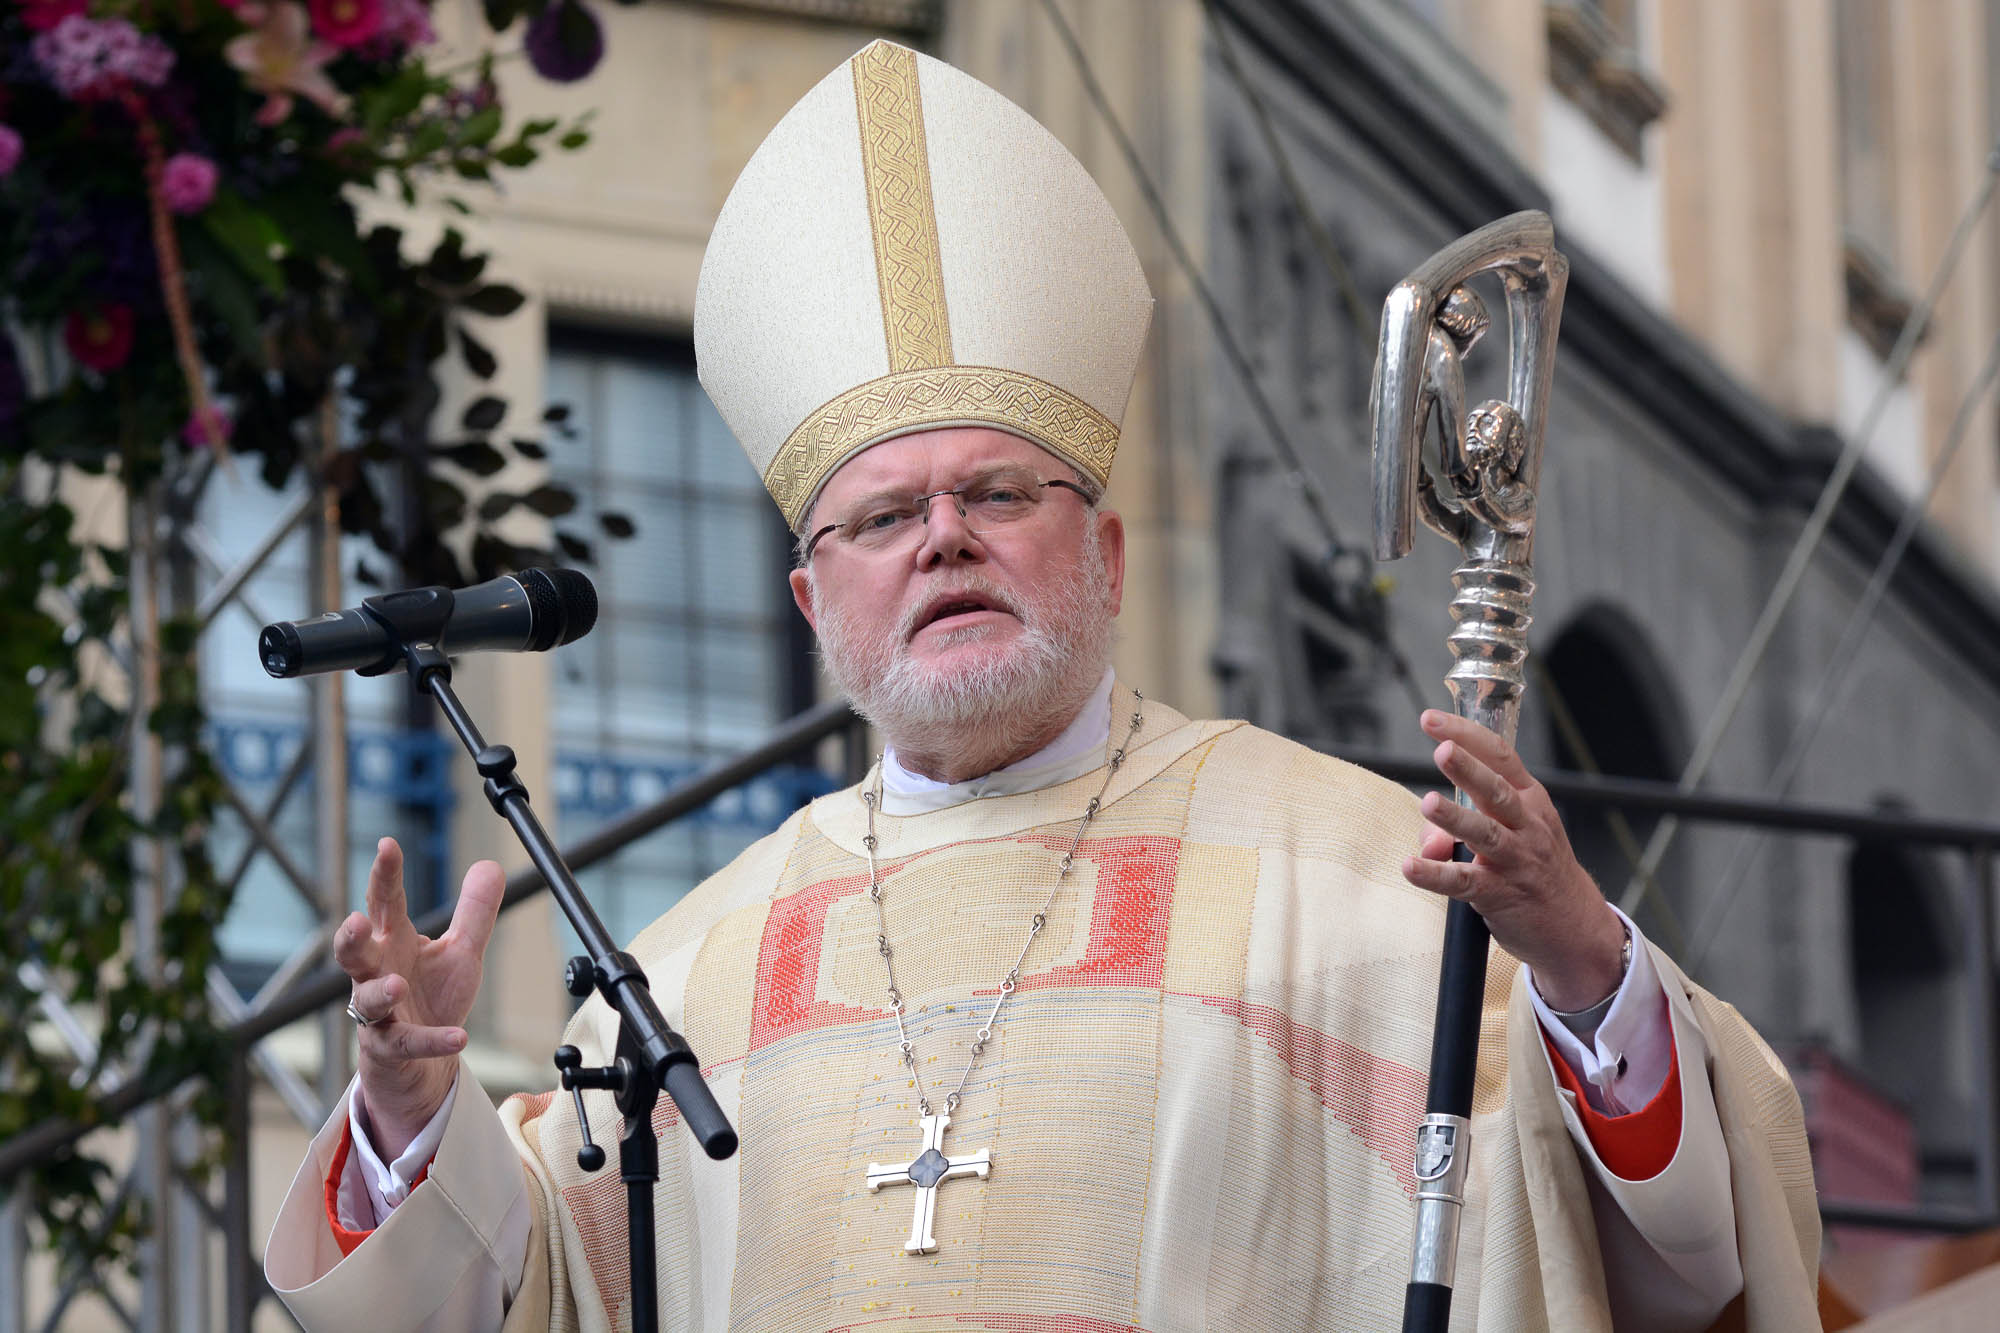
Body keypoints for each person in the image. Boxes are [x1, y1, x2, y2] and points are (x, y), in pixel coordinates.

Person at [266, 39, 1821, 1332]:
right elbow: (531, 1287)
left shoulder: (1370, 881)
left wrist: (1579, 963)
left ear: (1110, 552)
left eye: (1001, 493)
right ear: (816, 602)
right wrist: (409, 1105)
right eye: (883, 517)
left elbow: (1685, 1246)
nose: (943, 536)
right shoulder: (687, 968)